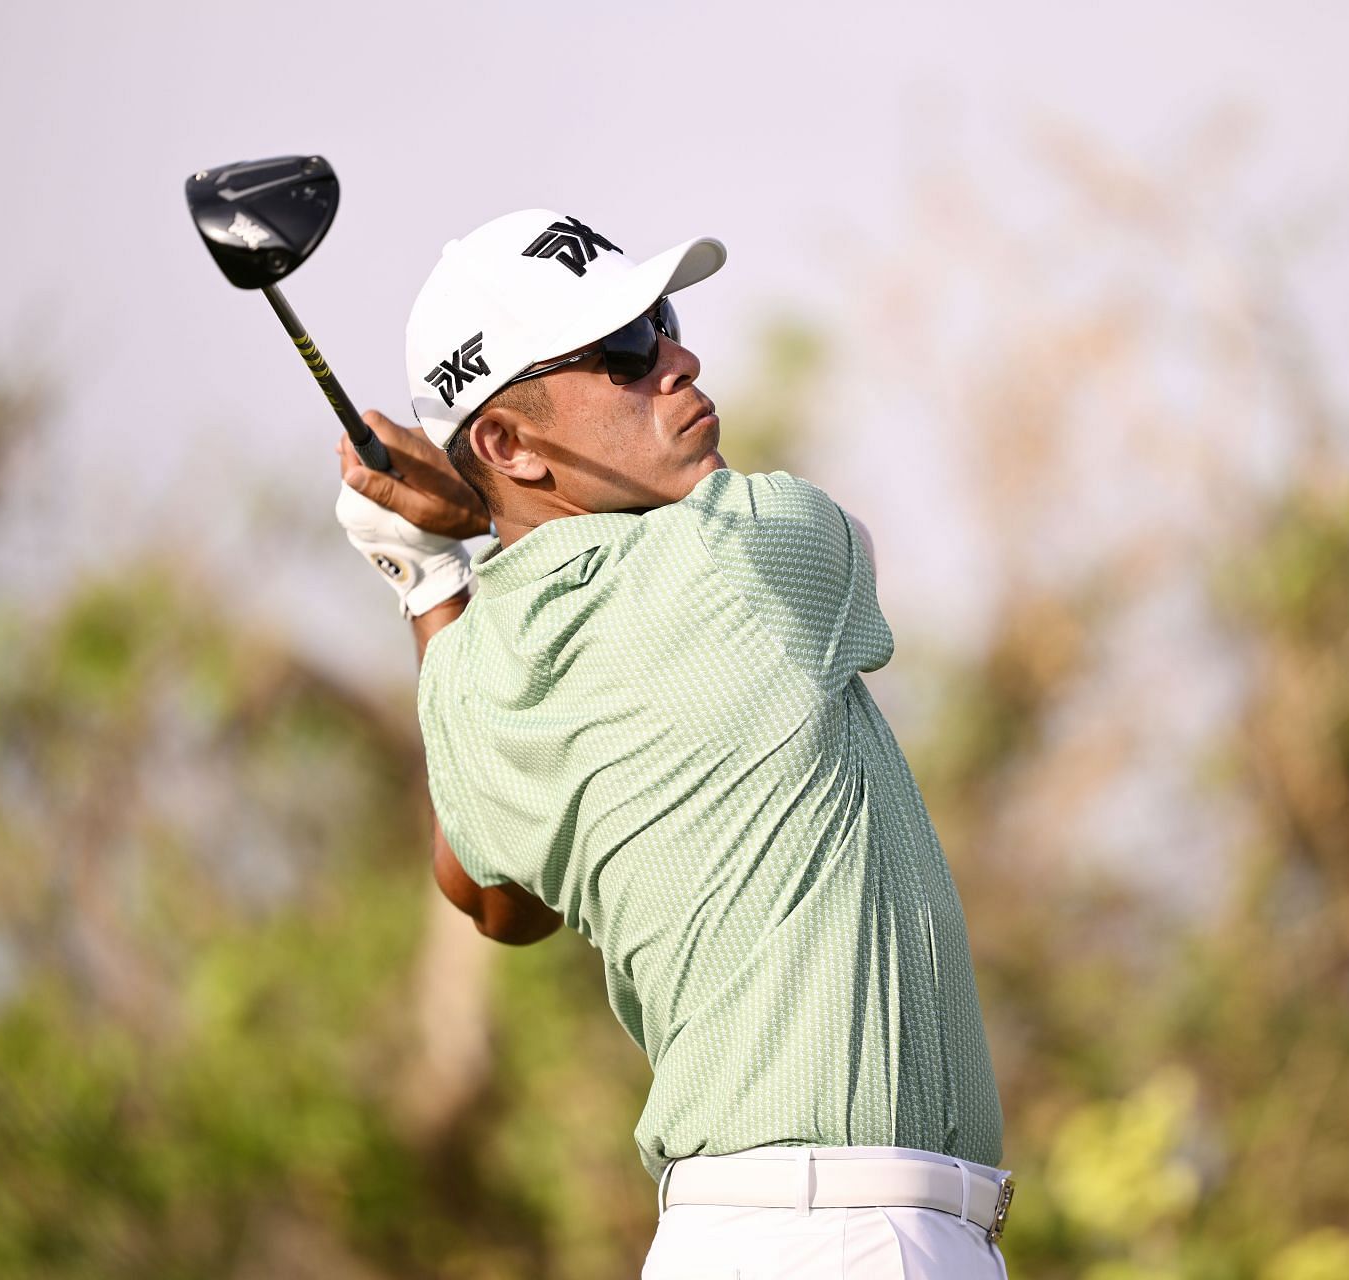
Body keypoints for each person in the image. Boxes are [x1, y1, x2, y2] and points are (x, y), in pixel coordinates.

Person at [332, 209, 1013, 1278]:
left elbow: (492, 895)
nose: (681, 357)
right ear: (509, 442)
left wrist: (430, 577)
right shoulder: (764, 543)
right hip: (837, 1234)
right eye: (627, 349)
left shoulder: (475, 669)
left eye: (665, 319)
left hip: (747, 1233)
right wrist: (466, 522)